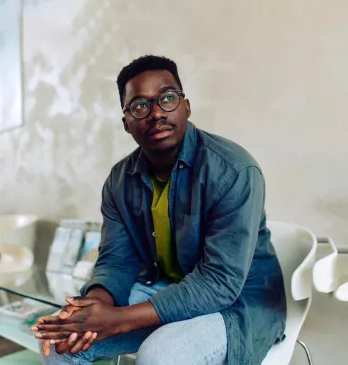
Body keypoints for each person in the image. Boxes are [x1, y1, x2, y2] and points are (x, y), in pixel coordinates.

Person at [32, 55, 287, 365]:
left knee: (162, 355)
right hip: (167, 288)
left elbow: (220, 282)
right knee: (62, 339)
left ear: (186, 106)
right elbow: (116, 260)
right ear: (126, 123)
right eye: (140, 105)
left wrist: (118, 319)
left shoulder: (233, 170)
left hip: (240, 303)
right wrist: (93, 308)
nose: (155, 114)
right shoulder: (119, 181)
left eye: (167, 98)